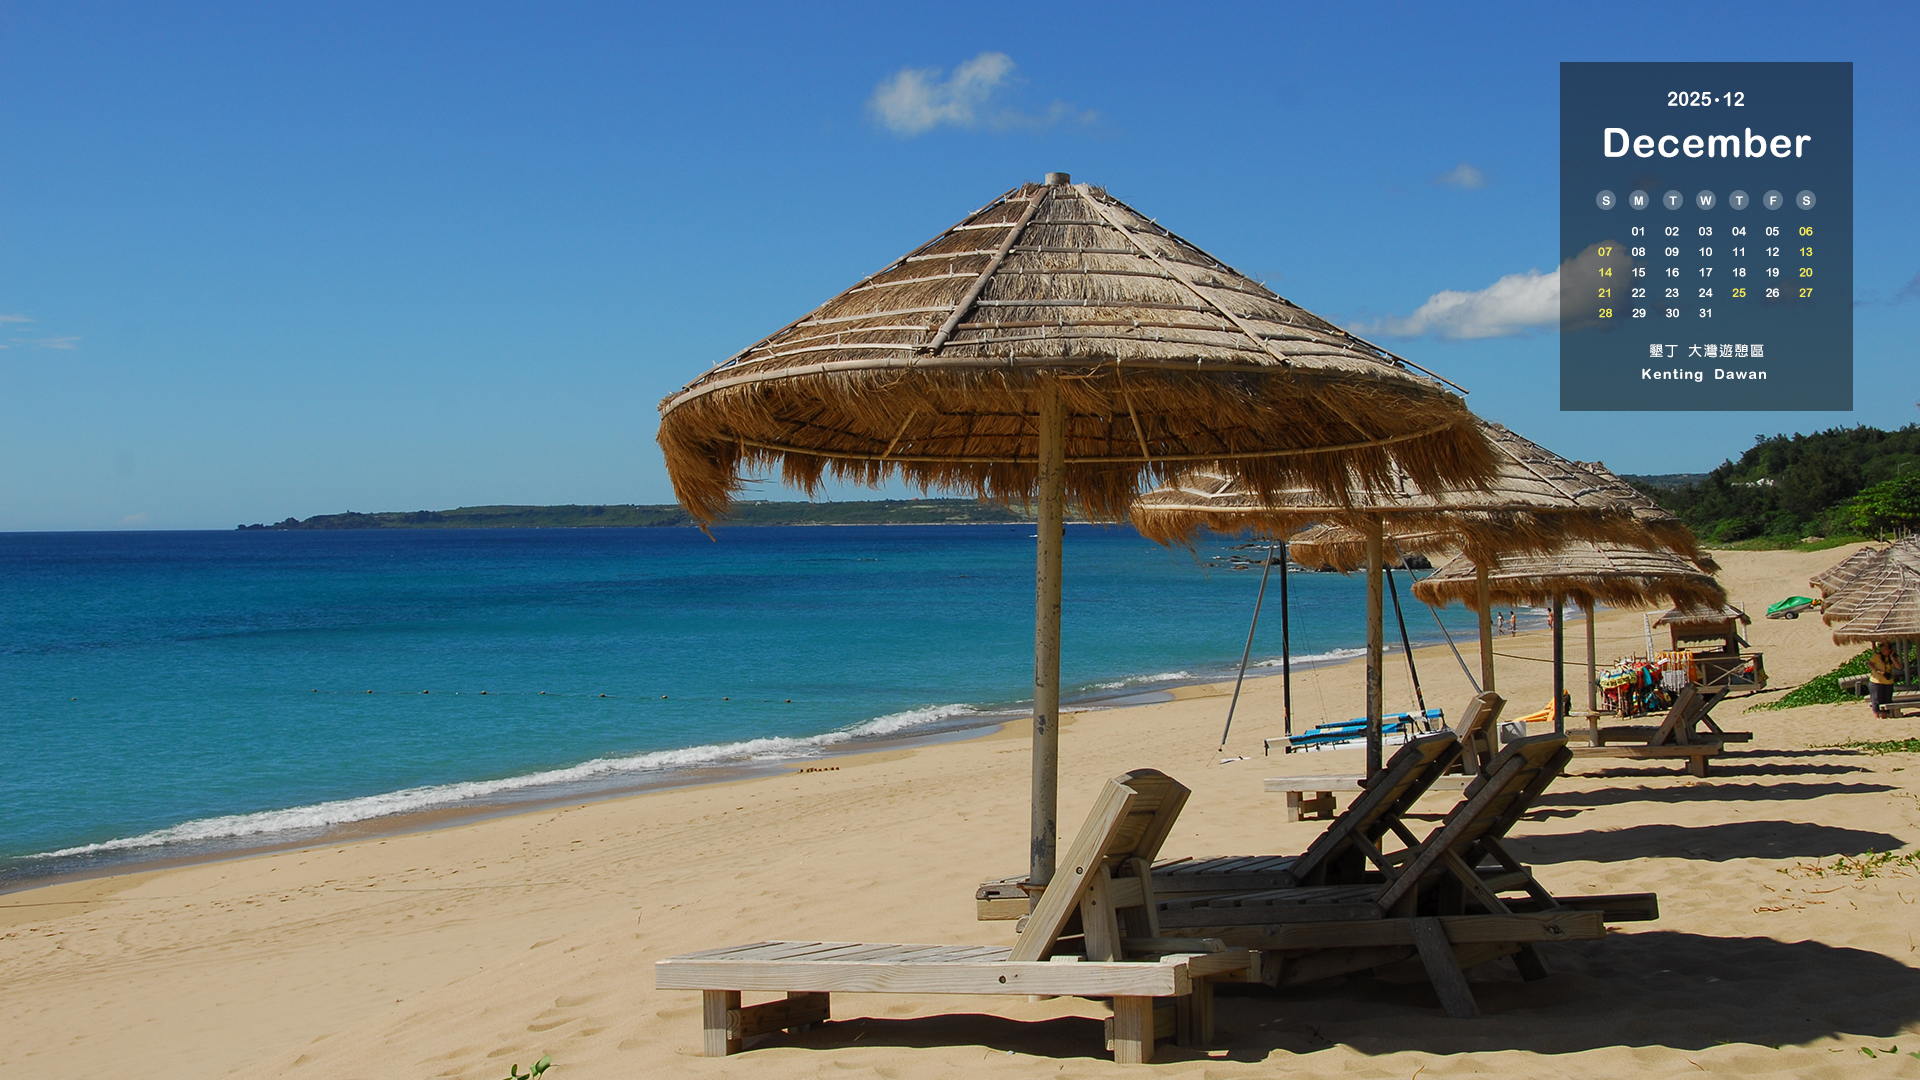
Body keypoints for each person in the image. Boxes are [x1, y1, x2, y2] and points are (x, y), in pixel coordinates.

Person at [1866, 641, 1900, 718]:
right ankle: (1877, 715)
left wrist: (1892, 657)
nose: (1883, 651)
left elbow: (1898, 666)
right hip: (1876, 680)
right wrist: (1877, 670)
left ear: (1890, 650)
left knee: (1887, 699)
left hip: (1888, 682)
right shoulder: (1877, 656)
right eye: (1882, 649)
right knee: (1877, 699)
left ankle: (1885, 715)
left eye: (1885, 649)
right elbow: (1870, 663)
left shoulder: (1892, 657)